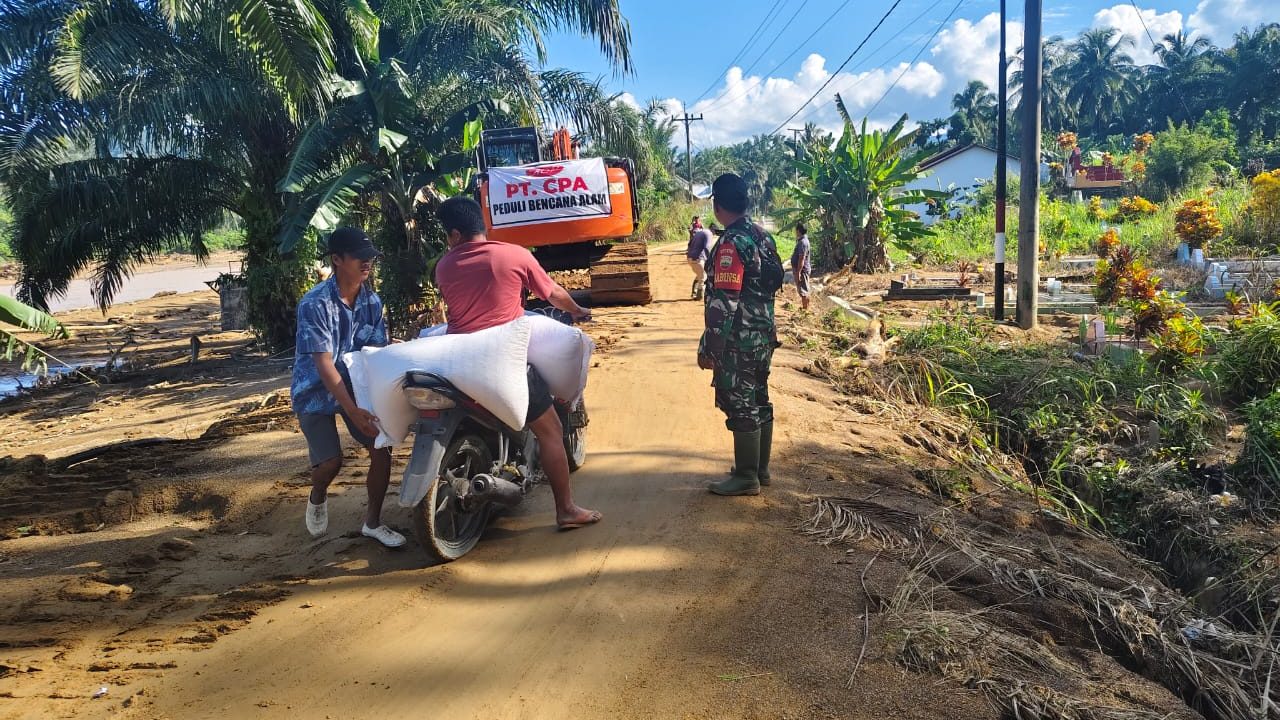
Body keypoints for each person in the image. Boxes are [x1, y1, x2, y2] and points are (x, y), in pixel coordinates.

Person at [434, 196, 602, 530]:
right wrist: (577, 310)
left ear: (454, 235)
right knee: (551, 430)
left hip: (458, 362)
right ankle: (566, 509)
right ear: (482, 225)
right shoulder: (514, 255)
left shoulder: (444, 266)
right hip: (504, 361)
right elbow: (553, 294)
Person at [293, 227, 406, 548]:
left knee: (381, 446)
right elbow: (324, 364)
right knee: (331, 462)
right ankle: (318, 492)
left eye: (370, 257)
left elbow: (375, 352)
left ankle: (373, 523)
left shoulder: (372, 302)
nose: (367, 263)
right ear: (337, 259)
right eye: (359, 257)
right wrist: (353, 410)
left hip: (356, 386)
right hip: (315, 389)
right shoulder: (314, 304)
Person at [697, 173, 784, 496]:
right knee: (759, 397)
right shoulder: (762, 236)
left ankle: (747, 476)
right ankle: (760, 469)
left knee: (741, 402)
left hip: (739, 340)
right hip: (763, 335)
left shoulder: (731, 244)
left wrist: (711, 346)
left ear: (718, 206)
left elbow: (725, 301)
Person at [686, 220, 716, 300]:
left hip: (690, 258)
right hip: (698, 259)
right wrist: (710, 259)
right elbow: (707, 248)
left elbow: (689, 244)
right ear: (713, 230)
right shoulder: (709, 234)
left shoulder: (700, 232)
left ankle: (694, 292)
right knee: (704, 277)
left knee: (700, 274)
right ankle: (699, 296)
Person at [791, 223, 812, 310]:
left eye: (796, 230)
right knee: (803, 290)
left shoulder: (803, 242)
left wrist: (798, 272)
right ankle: (805, 308)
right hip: (802, 269)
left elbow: (801, 258)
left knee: (803, 291)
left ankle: (805, 310)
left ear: (798, 231)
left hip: (802, 270)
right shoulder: (802, 241)